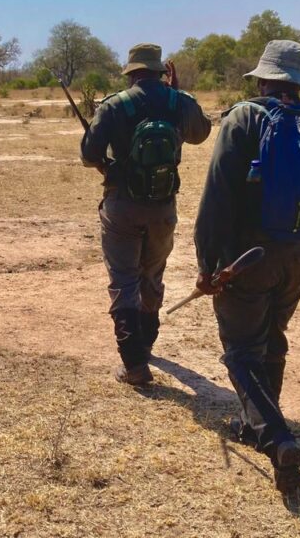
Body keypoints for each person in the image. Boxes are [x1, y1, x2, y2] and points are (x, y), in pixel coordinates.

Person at [193, 40, 300, 494]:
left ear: (263, 79)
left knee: (241, 353)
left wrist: (208, 264)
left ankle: (278, 439)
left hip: (247, 260)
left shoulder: (243, 118)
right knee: (272, 340)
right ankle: (255, 426)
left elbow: (217, 199)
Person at [81, 43, 211, 386]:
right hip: (163, 206)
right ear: (161, 72)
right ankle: (146, 344)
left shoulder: (114, 105)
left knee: (123, 280)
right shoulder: (178, 101)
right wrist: (178, 92)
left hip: (121, 205)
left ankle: (135, 364)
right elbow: (201, 134)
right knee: (152, 275)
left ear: (131, 72)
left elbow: (89, 155)